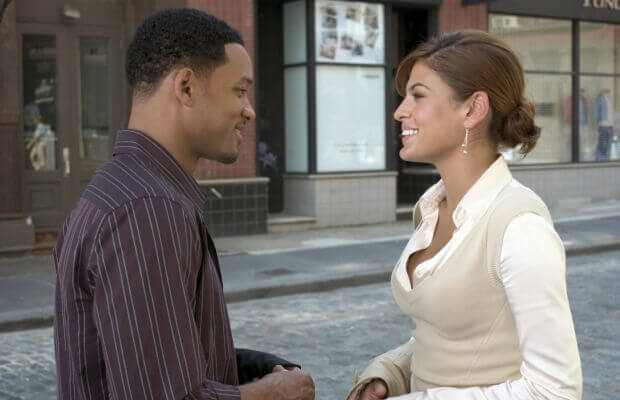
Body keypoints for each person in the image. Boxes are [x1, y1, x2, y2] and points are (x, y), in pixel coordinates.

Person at [53, 8, 315, 400]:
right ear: (187, 87)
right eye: (239, 90)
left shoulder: (122, 191)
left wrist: (251, 369)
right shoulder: (149, 208)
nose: (249, 109)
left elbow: (151, 360)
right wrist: (273, 394)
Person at [347, 30, 582, 400]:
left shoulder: (519, 227)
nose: (400, 111)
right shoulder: (429, 210)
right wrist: (390, 372)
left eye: (418, 95)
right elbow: (448, 334)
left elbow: (555, 391)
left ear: (472, 110)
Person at [595, 88, 613, 161]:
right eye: (605, 91)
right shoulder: (599, 99)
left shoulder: (609, 99)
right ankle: (600, 158)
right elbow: (597, 111)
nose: (607, 92)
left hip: (609, 124)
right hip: (603, 123)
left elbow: (610, 111)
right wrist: (598, 123)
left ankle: (606, 157)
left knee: (609, 142)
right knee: (602, 142)